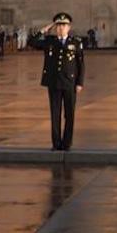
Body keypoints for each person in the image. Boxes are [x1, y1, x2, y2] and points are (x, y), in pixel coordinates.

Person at [36, 12, 85, 151]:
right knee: (55, 114)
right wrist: (44, 30)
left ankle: (67, 143)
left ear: (69, 27)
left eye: (64, 25)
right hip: (54, 82)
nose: (61, 28)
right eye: (58, 25)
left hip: (70, 82)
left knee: (69, 115)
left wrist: (80, 82)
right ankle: (56, 143)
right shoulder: (50, 41)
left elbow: (81, 64)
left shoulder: (75, 42)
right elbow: (31, 42)